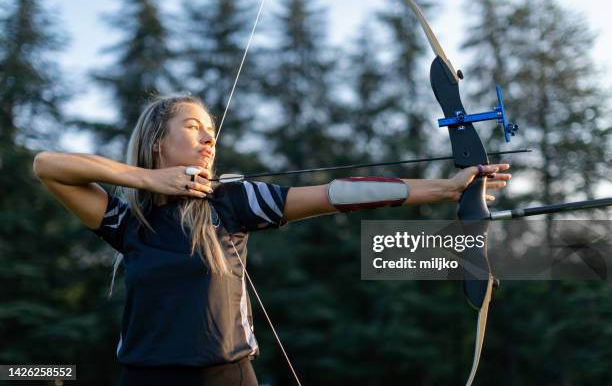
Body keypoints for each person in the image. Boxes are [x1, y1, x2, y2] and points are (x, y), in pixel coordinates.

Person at [32, 95, 511, 385]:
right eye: (194, 127)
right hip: (145, 378)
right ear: (157, 139)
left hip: (227, 376)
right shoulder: (127, 222)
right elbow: (47, 166)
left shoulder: (233, 201)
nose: (208, 139)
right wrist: (147, 180)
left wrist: (445, 189)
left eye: (212, 132)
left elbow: (336, 195)